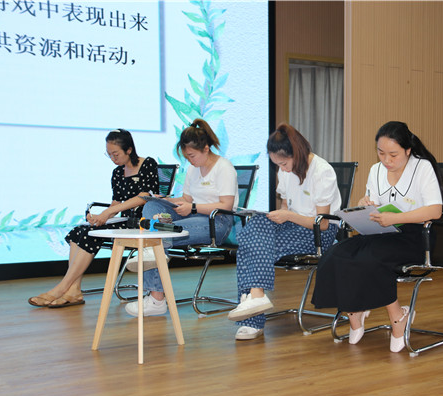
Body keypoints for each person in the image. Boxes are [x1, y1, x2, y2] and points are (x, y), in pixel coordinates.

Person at [312, 121, 443, 353]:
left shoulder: (422, 168)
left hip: (415, 237)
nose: (386, 160)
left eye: (393, 155)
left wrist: (396, 218)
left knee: (372, 258)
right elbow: (372, 203)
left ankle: (398, 316)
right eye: (381, 153)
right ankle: (355, 309)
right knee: (337, 253)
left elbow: (435, 210)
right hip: (382, 232)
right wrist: (365, 203)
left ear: (408, 150)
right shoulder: (376, 170)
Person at [227, 123, 342, 340]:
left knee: (249, 245)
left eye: (284, 163)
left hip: (318, 234)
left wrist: (287, 216)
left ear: (297, 153)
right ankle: (256, 296)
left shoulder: (322, 171)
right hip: (293, 226)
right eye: (277, 165)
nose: (283, 168)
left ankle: (252, 315)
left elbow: (323, 223)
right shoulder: (285, 170)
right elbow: (285, 206)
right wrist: (280, 216)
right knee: (255, 227)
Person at [28, 129, 159, 308]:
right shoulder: (117, 172)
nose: (112, 158)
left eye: (116, 154)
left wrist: (109, 213)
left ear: (129, 150)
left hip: (142, 222)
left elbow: (145, 196)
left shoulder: (148, 163)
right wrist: (101, 217)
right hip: (123, 222)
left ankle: (62, 288)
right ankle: (74, 290)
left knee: (90, 235)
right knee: (79, 231)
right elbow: (116, 203)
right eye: (109, 154)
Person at [124, 118, 239, 317]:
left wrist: (193, 207)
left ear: (206, 148)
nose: (190, 161)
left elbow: (226, 206)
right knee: (151, 206)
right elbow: (185, 199)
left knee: (156, 235)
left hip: (216, 222)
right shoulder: (193, 168)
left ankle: (156, 298)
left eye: (192, 156)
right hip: (191, 216)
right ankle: (155, 254)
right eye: (187, 156)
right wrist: (165, 200)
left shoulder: (224, 167)